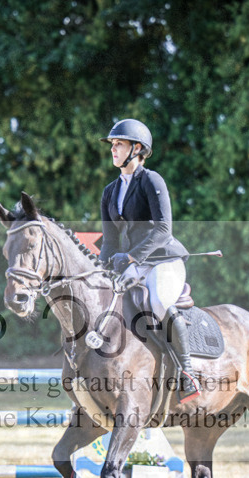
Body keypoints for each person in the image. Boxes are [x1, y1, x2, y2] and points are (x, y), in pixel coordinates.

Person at [97, 118, 200, 405]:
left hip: (163, 261)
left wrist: (130, 257)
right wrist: (97, 270)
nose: (113, 149)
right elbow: (109, 242)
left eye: (119, 144)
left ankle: (187, 373)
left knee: (156, 303)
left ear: (137, 148)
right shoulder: (110, 191)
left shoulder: (151, 181)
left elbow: (163, 229)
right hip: (134, 265)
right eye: (112, 145)